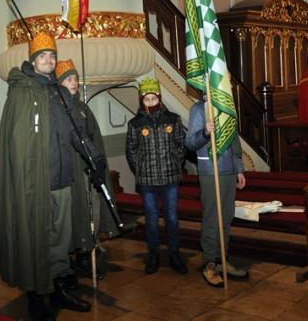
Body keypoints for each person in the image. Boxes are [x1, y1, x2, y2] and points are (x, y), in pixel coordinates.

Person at [0, 31, 91, 321]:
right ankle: (36, 295)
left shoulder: (60, 92)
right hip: (35, 183)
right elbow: (17, 141)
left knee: (60, 238)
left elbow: (74, 132)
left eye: (52, 56)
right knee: (36, 238)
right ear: (33, 60)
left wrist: (93, 157)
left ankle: (58, 287)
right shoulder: (22, 92)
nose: (48, 60)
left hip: (62, 178)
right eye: (42, 56)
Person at [55, 59, 120, 281]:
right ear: (60, 83)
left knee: (91, 214)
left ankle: (85, 256)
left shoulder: (83, 108)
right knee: (71, 216)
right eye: (68, 79)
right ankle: (68, 261)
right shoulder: (57, 109)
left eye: (75, 78)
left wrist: (97, 164)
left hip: (87, 171)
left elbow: (94, 139)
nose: (74, 82)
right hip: (67, 173)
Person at [125, 78, 188, 275]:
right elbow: (131, 151)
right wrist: (141, 168)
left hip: (170, 179)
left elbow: (181, 144)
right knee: (151, 219)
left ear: (159, 98)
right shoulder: (135, 124)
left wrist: (175, 162)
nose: (151, 102)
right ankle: (153, 255)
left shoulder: (173, 119)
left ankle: (174, 254)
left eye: (154, 98)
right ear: (142, 100)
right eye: (147, 99)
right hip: (147, 181)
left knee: (172, 218)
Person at [186, 95, 248, 288]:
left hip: (230, 171)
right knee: (212, 218)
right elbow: (190, 143)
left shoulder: (226, 106)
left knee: (226, 218)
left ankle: (222, 258)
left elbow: (234, 141)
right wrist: (205, 132)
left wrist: (239, 169)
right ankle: (210, 263)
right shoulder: (198, 109)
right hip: (210, 171)